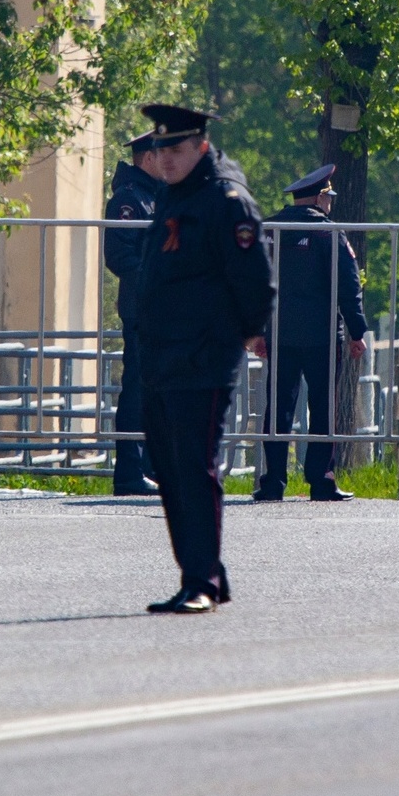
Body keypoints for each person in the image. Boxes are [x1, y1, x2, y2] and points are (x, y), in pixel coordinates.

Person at [133, 104, 274, 613]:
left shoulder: (226, 202)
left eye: (175, 149)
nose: (165, 159)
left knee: (194, 468)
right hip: (161, 356)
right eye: (160, 150)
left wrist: (239, 335)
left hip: (203, 357)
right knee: (170, 470)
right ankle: (202, 571)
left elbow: (255, 280)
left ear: (201, 148)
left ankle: (203, 583)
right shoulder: (173, 196)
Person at [255, 164, 368, 503]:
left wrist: (257, 330)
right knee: (322, 407)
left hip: (279, 332)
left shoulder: (269, 231)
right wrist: (357, 330)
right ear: (320, 197)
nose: (331, 203)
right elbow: (348, 285)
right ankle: (321, 480)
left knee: (278, 408)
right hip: (321, 335)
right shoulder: (328, 233)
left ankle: (272, 481)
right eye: (329, 197)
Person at [104, 130, 162, 496]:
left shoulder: (159, 198)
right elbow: (121, 256)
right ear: (147, 158)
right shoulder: (129, 200)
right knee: (138, 391)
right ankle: (129, 472)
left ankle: (153, 469)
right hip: (145, 310)